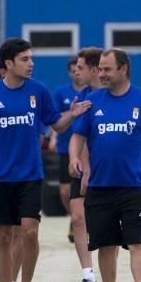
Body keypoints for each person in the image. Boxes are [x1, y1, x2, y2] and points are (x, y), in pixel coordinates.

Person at [0, 38, 90, 282]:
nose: (31, 64)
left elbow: (56, 123)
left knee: (29, 231)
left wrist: (72, 114)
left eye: (31, 58)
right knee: (3, 235)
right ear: (8, 64)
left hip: (30, 175)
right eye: (25, 59)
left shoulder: (38, 91)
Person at [69, 48, 141, 282]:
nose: (101, 74)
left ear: (124, 69)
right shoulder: (93, 100)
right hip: (100, 186)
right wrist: (74, 157)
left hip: (134, 186)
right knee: (106, 244)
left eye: (107, 69)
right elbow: (78, 135)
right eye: (99, 68)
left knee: (137, 242)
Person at [66, 46, 104, 282]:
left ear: (94, 69)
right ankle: (88, 276)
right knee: (78, 218)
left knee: (103, 229)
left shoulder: (113, 94)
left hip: (110, 172)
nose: (76, 73)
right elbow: (78, 136)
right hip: (85, 168)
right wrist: (76, 160)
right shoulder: (83, 98)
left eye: (80, 68)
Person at [51, 57, 83, 245]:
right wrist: (54, 138)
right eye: (73, 70)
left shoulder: (91, 92)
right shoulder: (61, 92)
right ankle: (74, 217)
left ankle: (81, 221)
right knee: (65, 190)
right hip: (65, 146)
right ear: (70, 72)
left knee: (85, 188)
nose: (76, 73)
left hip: (86, 148)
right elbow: (54, 119)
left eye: (79, 69)